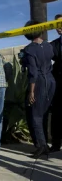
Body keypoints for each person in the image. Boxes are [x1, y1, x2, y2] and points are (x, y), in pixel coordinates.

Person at [23, 20, 55, 158]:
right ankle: (44, 144)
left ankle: (42, 146)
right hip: (51, 81)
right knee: (44, 113)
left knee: (35, 115)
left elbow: (33, 72)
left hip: (40, 82)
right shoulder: (49, 46)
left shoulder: (29, 49)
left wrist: (31, 91)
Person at [49, 14, 62, 152]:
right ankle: (56, 143)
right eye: (56, 25)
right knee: (57, 114)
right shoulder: (53, 45)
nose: (58, 27)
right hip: (59, 84)